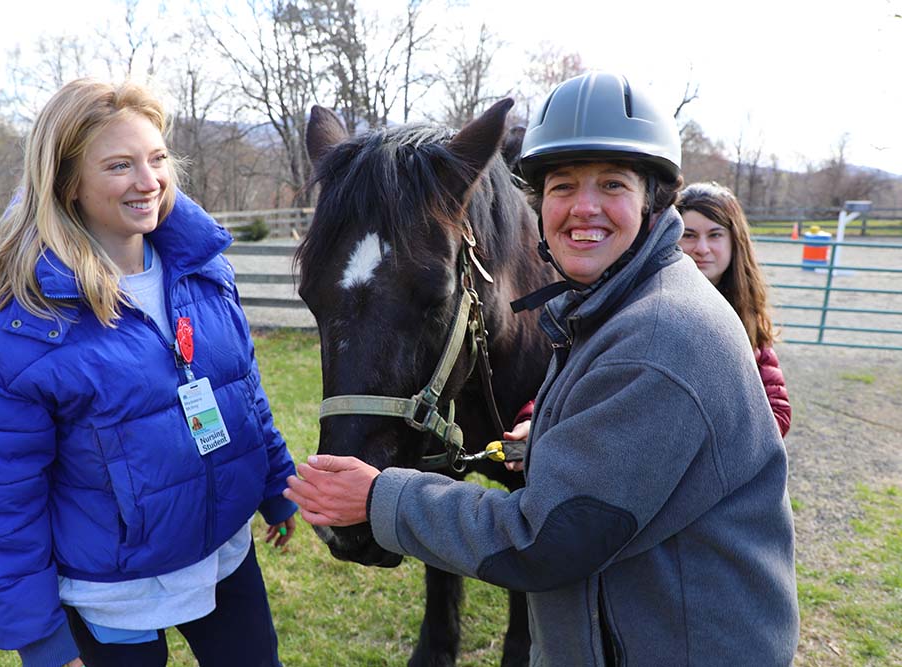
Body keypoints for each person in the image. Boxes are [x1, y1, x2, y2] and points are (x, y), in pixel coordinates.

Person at [284, 72, 799, 665]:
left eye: (611, 184)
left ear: (653, 199)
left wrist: (378, 498)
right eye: (562, 185)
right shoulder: (608, 304)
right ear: (539, 201)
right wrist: (555, 435)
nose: (583, 208)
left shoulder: (660, 335)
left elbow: (548, 538)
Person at [0, 79, 297, 667]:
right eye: (118, 165)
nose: (149, 181)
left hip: (223, 555)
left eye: (156, 158)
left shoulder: (203, 273)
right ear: (68, 183)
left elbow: (242, 393)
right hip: (114, 592)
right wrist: (42, 640)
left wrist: (275, 486)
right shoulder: (19, 327)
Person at [676, 181, 791, 436]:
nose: (702, 249)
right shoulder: (650, 307)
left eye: (715, 235)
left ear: (734, 240)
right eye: (689, 235)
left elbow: (778, 413)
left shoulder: (745, 314)